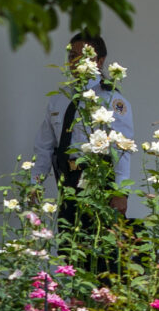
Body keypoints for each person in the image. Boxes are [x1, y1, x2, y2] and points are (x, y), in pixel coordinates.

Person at [45, 34, 138, 249]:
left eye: (83, 56)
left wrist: (120, 192)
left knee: (102, 249)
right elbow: (45, 145)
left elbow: (122, 147)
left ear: (100, 61)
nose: (76, 61)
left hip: (100, 181)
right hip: (68, 180)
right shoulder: (59, 99)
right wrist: (34, 182)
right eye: (72, 55)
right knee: (70, 245)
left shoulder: (111, 99)